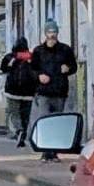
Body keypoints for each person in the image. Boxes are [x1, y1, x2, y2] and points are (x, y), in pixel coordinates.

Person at [31, 25, 78, 160]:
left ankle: (54, 152)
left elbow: (73, 67)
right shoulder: (38, 51)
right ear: (45, 34)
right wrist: (39, 76)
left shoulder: (65, 50)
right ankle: (45, 152)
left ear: (57, 34)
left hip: (59, 92)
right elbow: (32, 69)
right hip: (44, 92)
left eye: (54, 32)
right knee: (44, 121)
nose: (51, 35)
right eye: (49, 32)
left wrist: (68, 68)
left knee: (56, 123)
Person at [0, 37, 38, 147]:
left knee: (14, 113)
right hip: (28, 93)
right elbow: (37, 70)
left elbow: (3, 69)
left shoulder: (10, 57)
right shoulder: (32, 57)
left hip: (13, 92)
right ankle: (23, 133)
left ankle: (19, 131)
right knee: (25, 115)